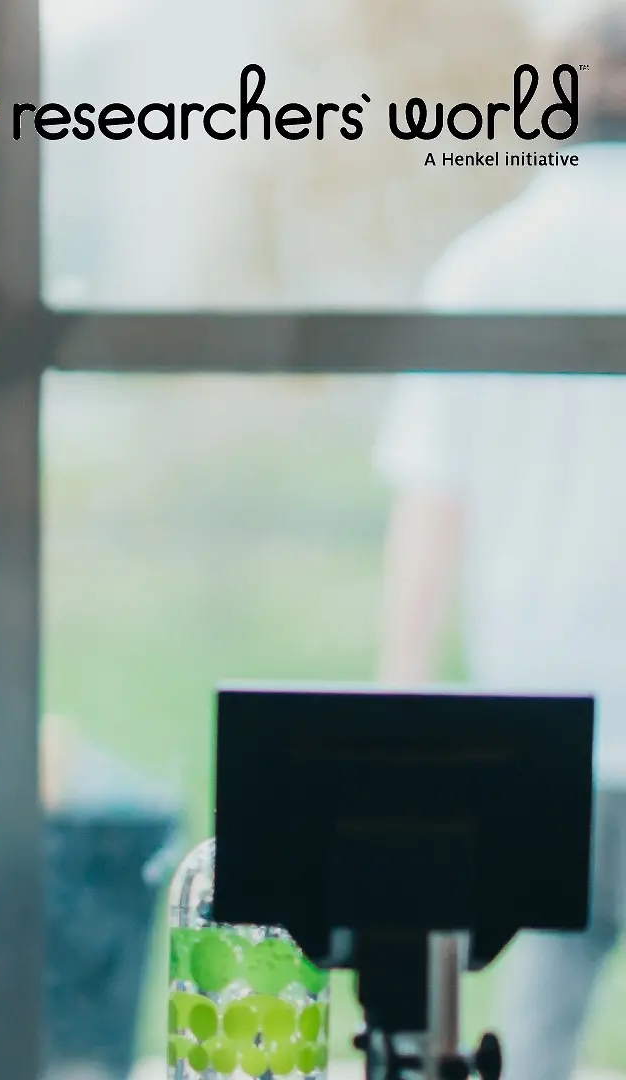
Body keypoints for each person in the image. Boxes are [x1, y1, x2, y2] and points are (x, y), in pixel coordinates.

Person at [374, 9, 626, 1080]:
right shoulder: (481, 269)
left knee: (534, 1039)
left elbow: (433, 511)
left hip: (538, 724)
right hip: (553, 721)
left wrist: (401, 713)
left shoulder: (485, 269)